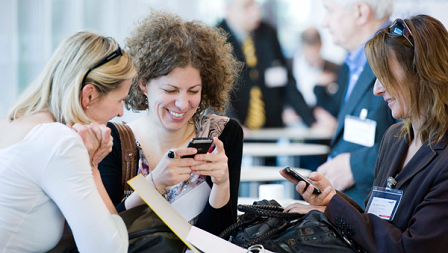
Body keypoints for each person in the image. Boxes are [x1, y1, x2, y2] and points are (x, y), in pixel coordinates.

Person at [282, 14, 448, 252]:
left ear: (420, 71)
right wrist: (330, 203)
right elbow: (376, 221)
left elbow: (408, 247)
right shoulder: (395, 138)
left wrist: (334, 206)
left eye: (386, 75)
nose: (378, 89)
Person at [98, 11, 243, 236]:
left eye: (193, 91)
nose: (183, 104)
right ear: (143, 84)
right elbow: (105, 232)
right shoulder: (113, 139)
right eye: (170, 90)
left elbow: (221, 236)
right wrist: (153, 184)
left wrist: (222, 184)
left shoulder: (223, 134)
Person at [0, 31, 136, 252]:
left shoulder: (11, 123)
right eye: (120, 100)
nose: (121, 112)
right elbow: (107, 249)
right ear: (89, 95)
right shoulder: (58, 141)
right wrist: (93, 166)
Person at [315, 0, 396, 206]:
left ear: (360, 13)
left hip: (374, 213)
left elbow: (422, 137)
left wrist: (356, 166)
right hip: (346, 205)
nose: (325, 23)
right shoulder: (352, 61)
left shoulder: (399, 56)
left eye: (330, 12)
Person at [218, 0, 316, 130]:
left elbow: (287, 83)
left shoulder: (268, 33)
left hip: (271, 130)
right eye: (247, 7)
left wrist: (311, 122)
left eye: (255, 5)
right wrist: (231, 124)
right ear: (229, 10)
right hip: (235, 132)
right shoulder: (215, 38)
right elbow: (214, 93)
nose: (255, 12)